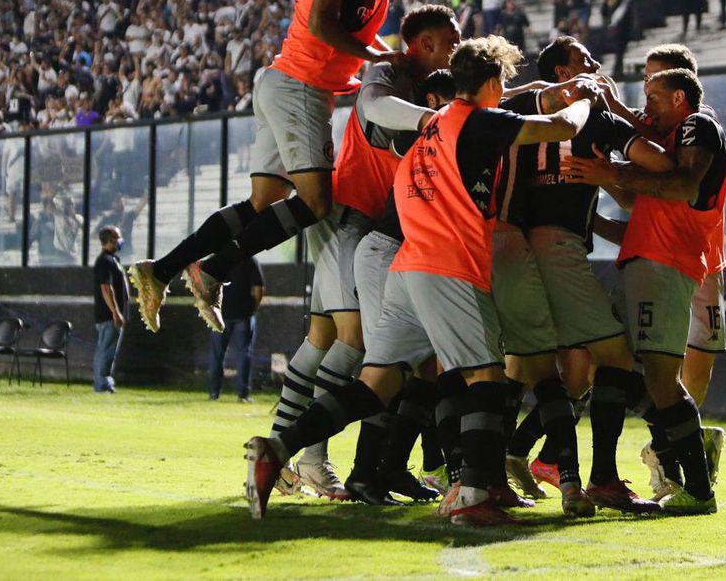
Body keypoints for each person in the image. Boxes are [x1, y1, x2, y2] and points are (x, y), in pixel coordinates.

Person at [243, 36, 595, 525]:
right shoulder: (477, 121)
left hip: (406, 268)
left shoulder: (431, 129)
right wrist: (584, 99)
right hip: (447, 266)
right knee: (486, 376)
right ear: (492, 83)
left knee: (375, 385)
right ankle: (473, 495)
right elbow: (560, 127)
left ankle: (278, 447)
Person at [128, 0, 408, 335]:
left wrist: (383, 53)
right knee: (315, 202)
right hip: (301, 86)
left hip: (284, 82)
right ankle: (212, 270)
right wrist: (378, 57)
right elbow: (320, 22)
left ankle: (162, 270)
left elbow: (344, 29)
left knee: (264, 201)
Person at [270, 5, 461, 503]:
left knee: (326, 338)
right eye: (450, 41)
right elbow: (374, 107)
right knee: (361, 347)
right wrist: (431, 117)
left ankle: (290, 454)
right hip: (354, 221)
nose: (456, 49)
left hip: (366, 225)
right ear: (423, 43)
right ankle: (310, 459)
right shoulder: (390, 74)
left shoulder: (420, 89)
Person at [561, 67, 724, 515]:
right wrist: (599, 183)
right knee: (615, 367)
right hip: (644, 261)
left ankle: (698, 489)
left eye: (653, 97)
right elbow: (636, 199)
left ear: (679, 98)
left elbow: (683, 183)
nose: (646, 107)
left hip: (666, 263)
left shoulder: (697, 125)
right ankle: (610, 477)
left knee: (659, 379)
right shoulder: (668, 142)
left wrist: (610, 169)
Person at [209, 258, 264, 402]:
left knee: (217, 354)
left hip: (220, 314)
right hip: (244, 314)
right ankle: (243, 394)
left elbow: (205, 286)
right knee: (244, 353)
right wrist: (253, 308)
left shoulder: (216, 259)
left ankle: (214, 393)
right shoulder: (249, 260)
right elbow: (258, 288)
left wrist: (210, 309)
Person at [94, 225, 127, 394]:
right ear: (110, 240)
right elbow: (106, 288)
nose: (120, 240)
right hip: (108, 316)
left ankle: (102, 382)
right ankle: (103, 384)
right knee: (106, 351)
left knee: (106, 350)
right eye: (118, 237)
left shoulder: (112, 260)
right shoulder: (105, 261)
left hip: (109, 315)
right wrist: (115, 312)